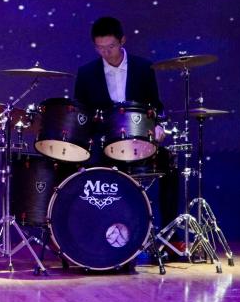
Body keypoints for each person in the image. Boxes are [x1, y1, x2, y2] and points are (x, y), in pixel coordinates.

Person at [73, 16, 179, 227]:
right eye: (100, 48)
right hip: (104, 142)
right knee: (85, 169)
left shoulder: (143, 68)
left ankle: (171, 234)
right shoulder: (86, 73)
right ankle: (99, 230)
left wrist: (158, 125)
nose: (106, 52)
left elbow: (155, 105)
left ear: (122, 40)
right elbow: (81, 112)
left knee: (170, 166)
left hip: (138, 138)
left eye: (111, 46)